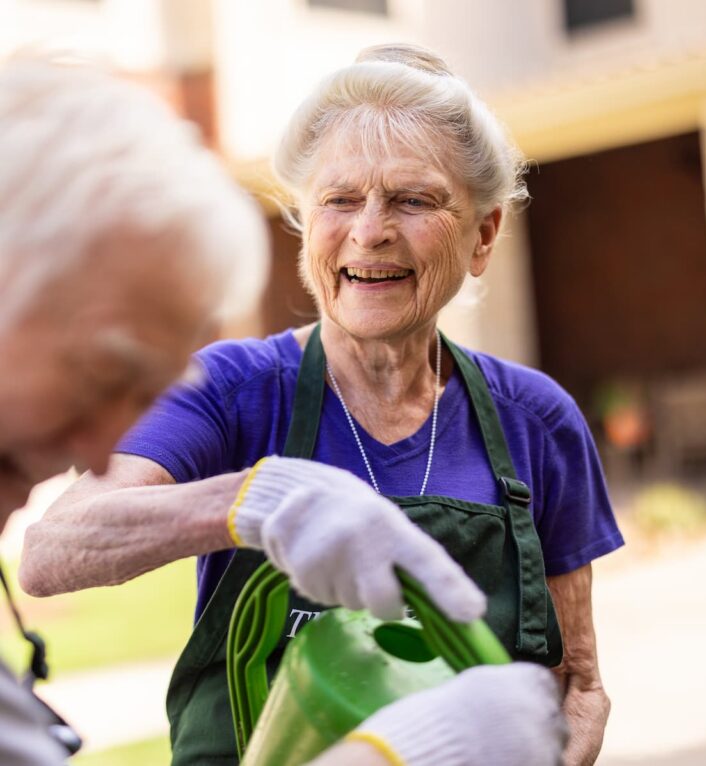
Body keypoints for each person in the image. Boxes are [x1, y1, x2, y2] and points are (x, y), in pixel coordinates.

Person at [18, 43, 621, 764]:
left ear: (483, 234)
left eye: (413, 198)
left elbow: (577, 683)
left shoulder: (538, 420)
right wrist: (254, 502)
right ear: (307, 225)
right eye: (339, 199)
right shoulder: (229, 390)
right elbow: (53, 552)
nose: (369, 231)